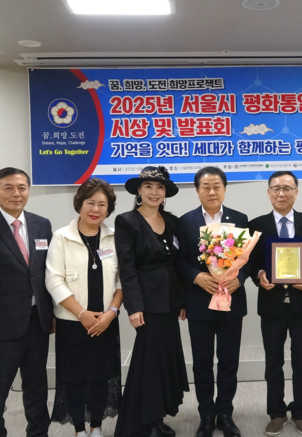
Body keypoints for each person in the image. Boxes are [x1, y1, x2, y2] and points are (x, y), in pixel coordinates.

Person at [0, 167, 54, 437]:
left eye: (22, 187)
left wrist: (51, 314)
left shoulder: (41, 224)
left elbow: (46, 274)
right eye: (8, 188)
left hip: (37, 323)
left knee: (37, 389)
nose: (16, 193)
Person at [114, 166, 189, 437]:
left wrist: (183, 300)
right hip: (146, 305)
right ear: (139, 190)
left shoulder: (173, 221)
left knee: (165, 359)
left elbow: (180, 262)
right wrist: (134, 307)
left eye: (159, 187)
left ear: (165, 192)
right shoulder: (127, 221)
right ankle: (142, 423)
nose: (154, 192)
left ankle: (156, 416)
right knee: (148, 362)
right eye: (148, 186)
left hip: (170, 303)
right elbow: (127, 268)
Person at [46, 178, 123, 437]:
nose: (96, 209)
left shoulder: (115, 238)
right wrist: (81, 314)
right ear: (79, 204)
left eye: (102, 204)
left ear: (108, 209)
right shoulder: (62, 237)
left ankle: (96, 426)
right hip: (72, 322)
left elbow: (123, 281)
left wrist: (111, 313)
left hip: (106, 322)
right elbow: (54, 280)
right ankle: (79, 428)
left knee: (101, 376)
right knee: (74, 377)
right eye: (90, 202)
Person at [176, 166, 250, 437]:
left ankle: (225, 414)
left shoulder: (239, 218)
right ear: (197, 191)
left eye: (217, 186)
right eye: (205, 187)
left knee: (229, 361)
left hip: (231, 302)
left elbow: (248, 259)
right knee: (202, 362)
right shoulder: (185, 221)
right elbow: (179, 261)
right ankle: (206, 415)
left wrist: (240, 278)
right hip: (199, 303)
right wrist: (196, 277)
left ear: (224, 189)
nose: (211, 191)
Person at [248, 171, 302, 437]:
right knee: (273, 363)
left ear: (296, 192)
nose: (282, 193)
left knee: (301, 362)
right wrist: (259, 275)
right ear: (268, 192)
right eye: (276, 188)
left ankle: (300, 412)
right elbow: (250, 262)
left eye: (287, 188)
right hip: (272, 305)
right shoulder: (255, 226)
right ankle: (276, 413)